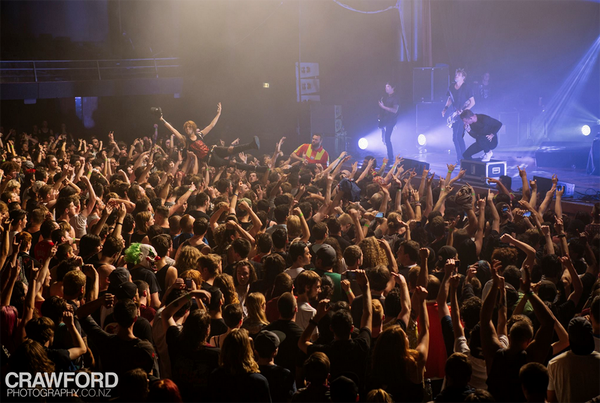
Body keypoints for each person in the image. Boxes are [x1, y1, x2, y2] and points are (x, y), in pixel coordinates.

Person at [442, 68, 475, 162]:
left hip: (463, 116)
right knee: (454, 138)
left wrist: (464, 111)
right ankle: (460, 157)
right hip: (455, 115)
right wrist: (445, 108)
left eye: (458, 75)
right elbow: (449, 98)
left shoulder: (466, 87)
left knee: (459, 136)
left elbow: (472, 102)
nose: (456, 76)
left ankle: (464, 157)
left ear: (463, 77)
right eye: (456, 74)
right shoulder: (451, 87)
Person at [378, 81, 400, 163]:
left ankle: (390, 158)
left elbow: (394, 110)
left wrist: (383, 107)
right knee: (385, 138)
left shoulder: (395, 98)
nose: (386, 88)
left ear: (392, 87)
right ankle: (390, 156)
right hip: (385, 119)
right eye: (385, 86)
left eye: (388, 86)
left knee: (387, 138)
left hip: (391, 120)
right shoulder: (387, 97)